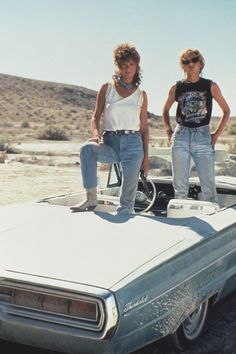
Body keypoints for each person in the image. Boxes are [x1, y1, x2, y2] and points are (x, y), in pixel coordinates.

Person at [71, 43, 149, 214]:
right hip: (110, 142)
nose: (127, 69)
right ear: (118, 67)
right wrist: (95, 133)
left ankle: (125, 220)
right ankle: (91, 199)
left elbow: (144, 128)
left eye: (130, 65)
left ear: (136, 65)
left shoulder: (141, 95)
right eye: (123, 65)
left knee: (126, 204)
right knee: (86, 149)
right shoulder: (107, 88)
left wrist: (146, 158)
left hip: (134, 146)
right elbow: (95, 116)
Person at [162, 48, 230, 203]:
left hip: (203, 136)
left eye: (194, 60)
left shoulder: (211, 86)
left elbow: (226, 111)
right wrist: (168, 132)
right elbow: (165, 110)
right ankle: (181, 222)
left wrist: (215, 135)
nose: (191, 64)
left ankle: (212, 225)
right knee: (180, 188)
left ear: (200, 64)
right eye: (186, 62)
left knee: (208, 187)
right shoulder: (176, 88)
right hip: (181, 136)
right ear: (183, 66)